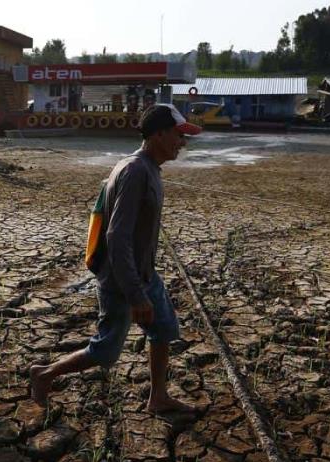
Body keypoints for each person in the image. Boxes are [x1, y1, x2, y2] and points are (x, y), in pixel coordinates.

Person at [30, 104, 201, 413]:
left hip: (143, 274)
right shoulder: (136, 171)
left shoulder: (146, 167)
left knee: (163, 328)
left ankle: (158, 397)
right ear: (159, 134)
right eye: (179, 135)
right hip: (123, 281)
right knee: (106, 351)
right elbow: (117, 237)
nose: (183, 142)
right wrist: (135, 294)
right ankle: (44, 373)